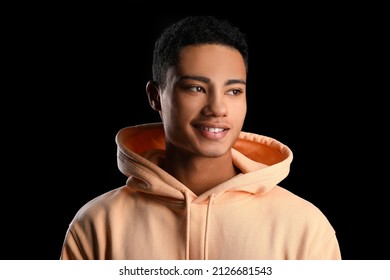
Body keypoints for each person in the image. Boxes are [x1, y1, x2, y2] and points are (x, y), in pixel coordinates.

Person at [60, 15, 342, 260]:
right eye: (196, 88)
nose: (217, 108)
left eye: (234, 91)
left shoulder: (306, 227)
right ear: (155, 97)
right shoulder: (96, 224)